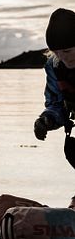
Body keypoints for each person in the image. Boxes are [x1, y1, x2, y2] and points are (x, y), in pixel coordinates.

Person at [33, 8, 75, 143]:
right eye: (55, 52)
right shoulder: (55, 66)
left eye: (67, 51)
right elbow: (57, 104)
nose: (62, 57)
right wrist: (47, 120)